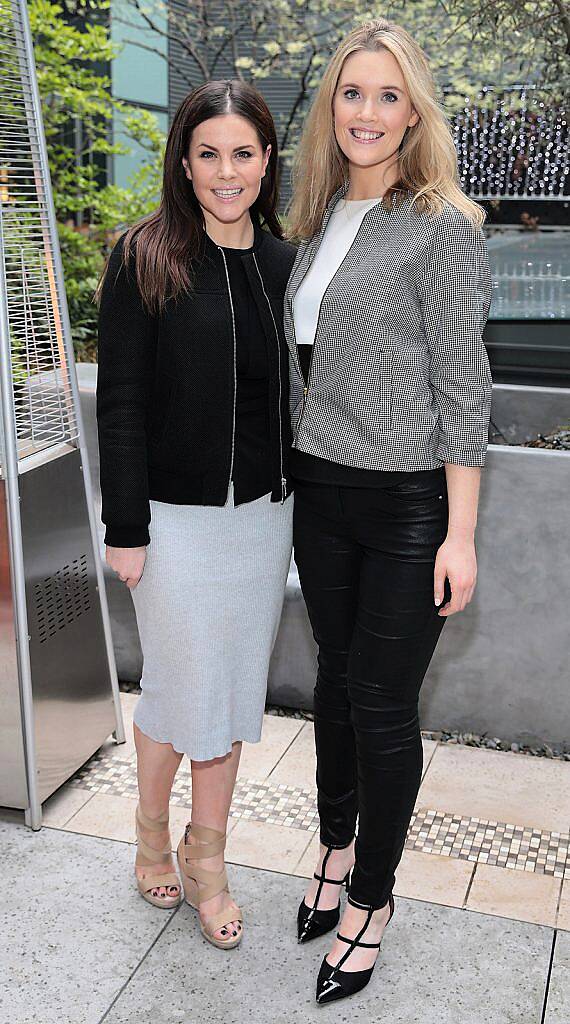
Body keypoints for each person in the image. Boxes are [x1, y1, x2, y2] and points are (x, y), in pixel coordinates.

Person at [284, 18, 493, 1003]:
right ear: (335, 105)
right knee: (332, 683)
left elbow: (465, 385)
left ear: (415, 111)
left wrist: (460, 531)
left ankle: (372, 898)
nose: (367, 112)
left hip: (409, 502)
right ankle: (333, 848)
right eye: (353, 93)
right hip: (320, 492)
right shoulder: (318, 215)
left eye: (389, 96)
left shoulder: (444, 222)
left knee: (380, 703)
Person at [96, 79, 296, 950]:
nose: (226, 171)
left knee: (229, 696)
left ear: (266, 162)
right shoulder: (143, 254)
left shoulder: (287, 262)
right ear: (184, 160)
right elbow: (122, 404)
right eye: (208, 153)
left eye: (242, 154)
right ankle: (150, 830)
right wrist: (127, 528)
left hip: (262, 519)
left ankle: (206, 857)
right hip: (173, 527)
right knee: (182, 689)